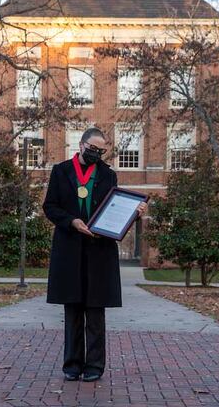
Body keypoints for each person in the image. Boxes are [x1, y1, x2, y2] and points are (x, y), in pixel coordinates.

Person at [42, 127, 147, 382]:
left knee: (96, 311)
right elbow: (50, 207)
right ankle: (72, 365)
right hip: (70, 248)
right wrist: (71, 222)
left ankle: (94, 367)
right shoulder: (61, 171)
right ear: (81, 145)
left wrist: (135, 212)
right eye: (92, 150)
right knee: (73, 309)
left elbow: (115, 209)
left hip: (99, 250)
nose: (96, 155)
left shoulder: (108, 175)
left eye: (101, 151)